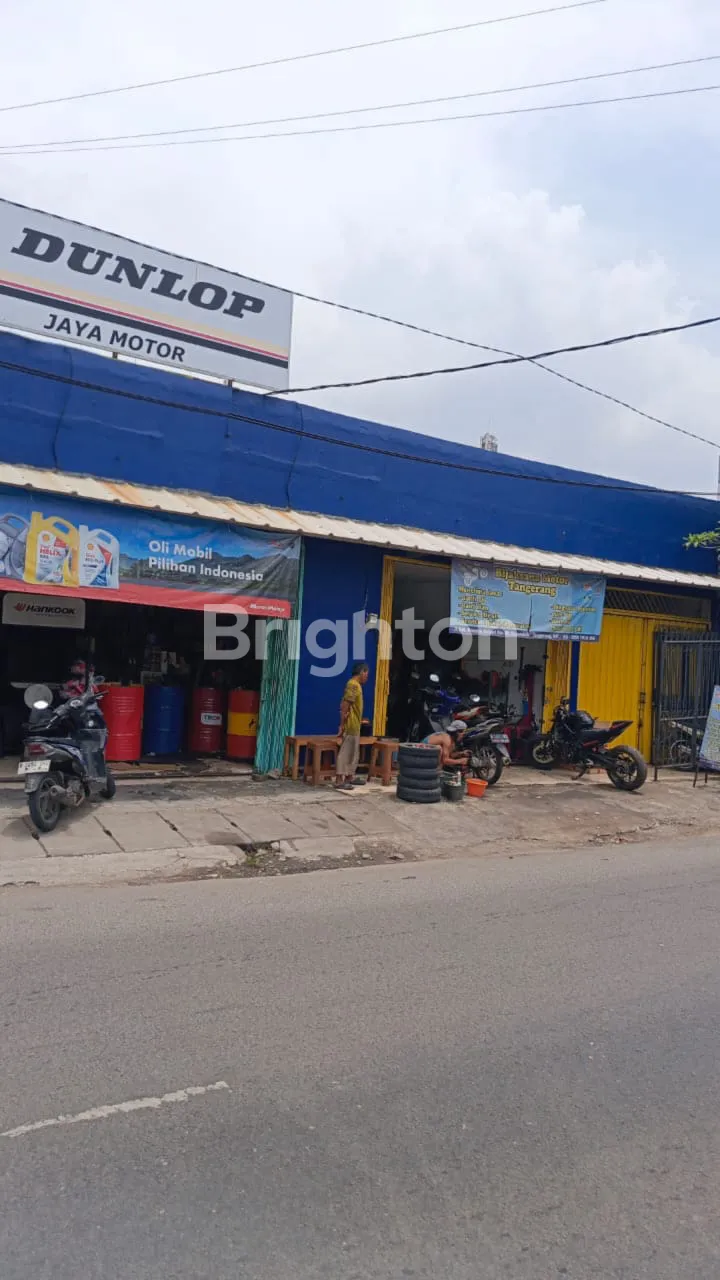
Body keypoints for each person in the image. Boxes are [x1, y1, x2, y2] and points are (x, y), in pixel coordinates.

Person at [335, 661, 369, 790]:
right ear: (362, 672)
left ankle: (349, 777)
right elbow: (345, 705)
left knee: (353, 752)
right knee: (346, 752)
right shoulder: (353, 685)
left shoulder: (357, 685)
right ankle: (339, 780)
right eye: (366, 674)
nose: (367, 677)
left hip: (355, 724)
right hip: (350, 724)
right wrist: (342, 725)